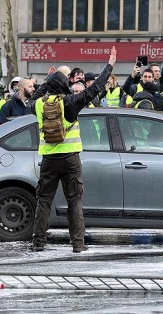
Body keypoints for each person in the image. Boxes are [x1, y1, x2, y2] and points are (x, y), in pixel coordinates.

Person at [29, 46, 117, 253]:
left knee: (44, 201)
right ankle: (78, 243)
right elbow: (94, 89)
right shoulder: (70, 102)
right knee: (74, 201)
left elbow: (30, 99)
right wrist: (109, 65)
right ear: (64, 86)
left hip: (49, 159)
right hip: (70, 159)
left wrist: (47, 80)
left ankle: (38, 242)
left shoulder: (39, 105)